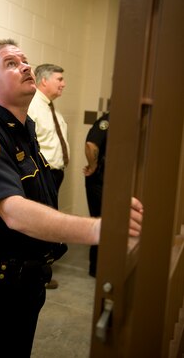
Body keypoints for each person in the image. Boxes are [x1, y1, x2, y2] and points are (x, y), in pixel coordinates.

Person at [0, 39, 143, 357]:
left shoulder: (22, 129)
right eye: (11, 63)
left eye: (25, 60)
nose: (25, 66)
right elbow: (12, 210)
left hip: (25, 281)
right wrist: (99, 229)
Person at [28, 64, 69, 289]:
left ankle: (42, 271)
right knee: (41, 224)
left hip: (55, 174)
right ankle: (39, 275)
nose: (63, 84)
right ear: (44, 81)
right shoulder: (33, 107)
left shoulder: (51, 108)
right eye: (59, 79)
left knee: (48, 223)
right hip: (43, 175)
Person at [84, 112, 110, 277]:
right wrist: (93, 167)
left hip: (107, 180)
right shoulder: (106, 121)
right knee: (101, 221)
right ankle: (96, 268)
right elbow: (91, 145)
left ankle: (103, 265)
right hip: (99, 180)